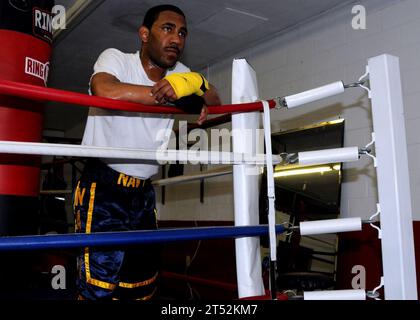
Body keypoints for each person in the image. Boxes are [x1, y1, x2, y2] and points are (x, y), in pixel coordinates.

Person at [73, 4, 221, 300]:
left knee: (142, 284)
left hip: (143, 193)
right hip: (104, 187)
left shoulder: (179, 73)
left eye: (182, 33)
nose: (176, 39)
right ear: (144, 34)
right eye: (167, 29)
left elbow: (215, 102)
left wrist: (196, 82)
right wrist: (173, 101)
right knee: (98, 287)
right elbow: (106, 90)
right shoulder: (117, 58)